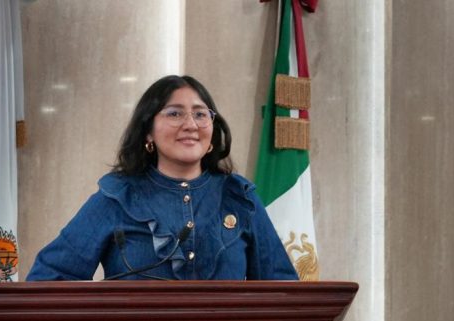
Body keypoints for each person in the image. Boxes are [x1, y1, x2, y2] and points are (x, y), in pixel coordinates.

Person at [26, 75, 298, 281]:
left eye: (200, 114)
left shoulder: (240, 198)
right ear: (148, 131)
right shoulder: (117, 197)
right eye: (175, 113)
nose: (190, 125)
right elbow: (48, 279)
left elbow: (283, 292)